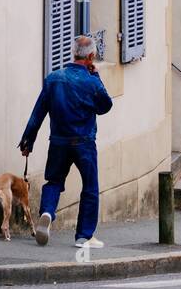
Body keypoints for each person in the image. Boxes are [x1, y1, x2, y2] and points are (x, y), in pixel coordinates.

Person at [19, 35, 113, 249]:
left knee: (53, 181)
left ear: (73, 54)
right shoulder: (91, 82)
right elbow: (105, 106)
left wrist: (28, 141)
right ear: (90, 56)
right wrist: (97, 77)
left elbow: (38, 112)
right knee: (90, 187)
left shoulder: (53, 78)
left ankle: (46, 213)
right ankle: (83, 236)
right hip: (84, 142)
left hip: (58, 141)